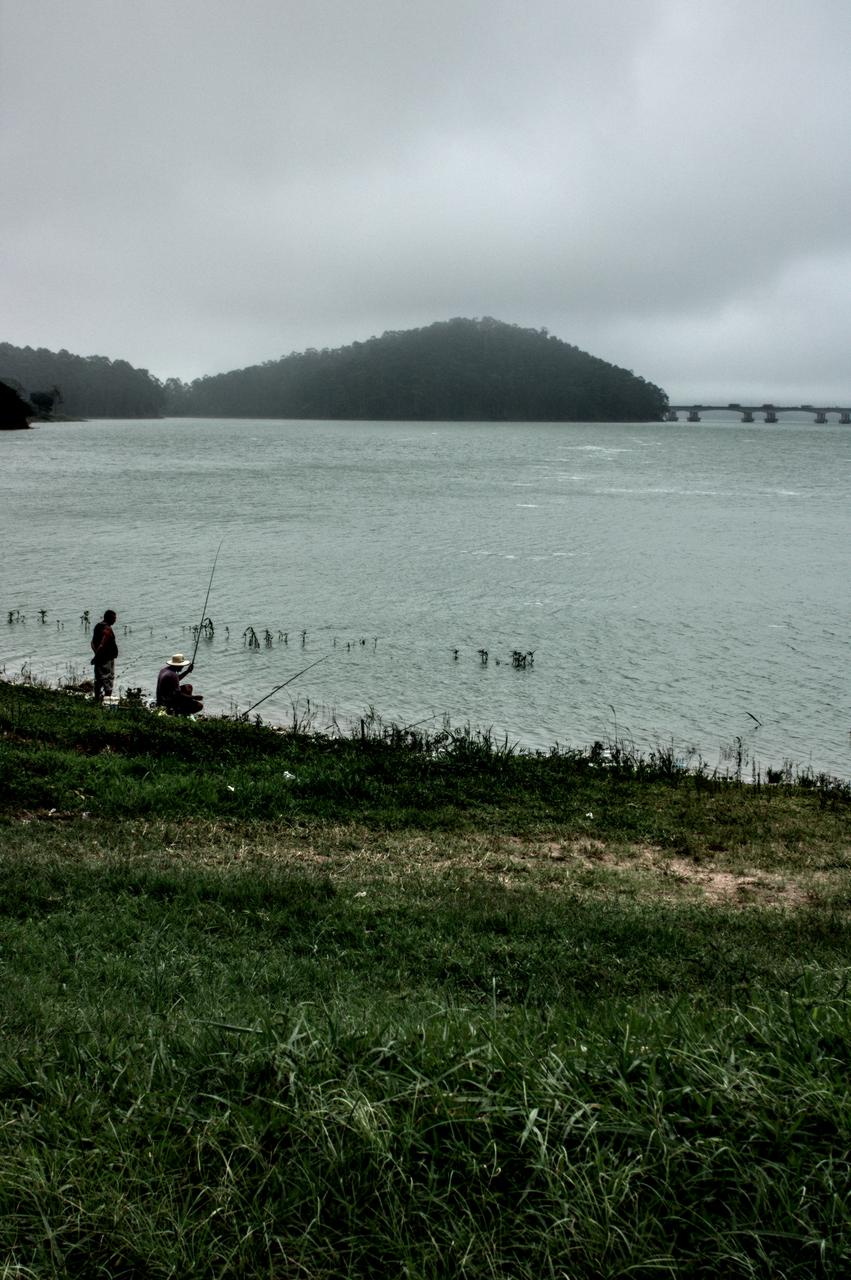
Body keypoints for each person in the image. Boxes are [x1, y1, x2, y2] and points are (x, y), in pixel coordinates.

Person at [90, 609, 118, 701]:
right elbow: (102, 644)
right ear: (109, 618)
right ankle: (107, 701)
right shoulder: (107, 629)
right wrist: (97, 656)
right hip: (106, 659)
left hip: (100, 657)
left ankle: (97, 699)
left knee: (98, 679)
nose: (115, 620)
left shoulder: (98, 626)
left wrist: (96, 654)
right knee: (108, 680)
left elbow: (92, 643)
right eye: (114, 618)